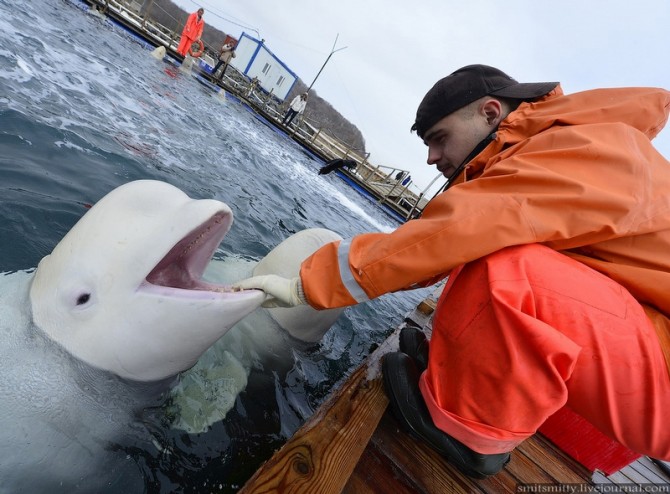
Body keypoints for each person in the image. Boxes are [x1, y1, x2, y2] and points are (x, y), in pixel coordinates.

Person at [234, 64, 670, 477]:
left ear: (490, 112)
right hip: (648, 337)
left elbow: (453, 231)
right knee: (490, 252)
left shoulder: (573, 148)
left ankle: (473, 433)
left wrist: (305, 286)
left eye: (440, 138)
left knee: (510, 268)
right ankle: (454, 380)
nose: (431, 157)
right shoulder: (557, 143)